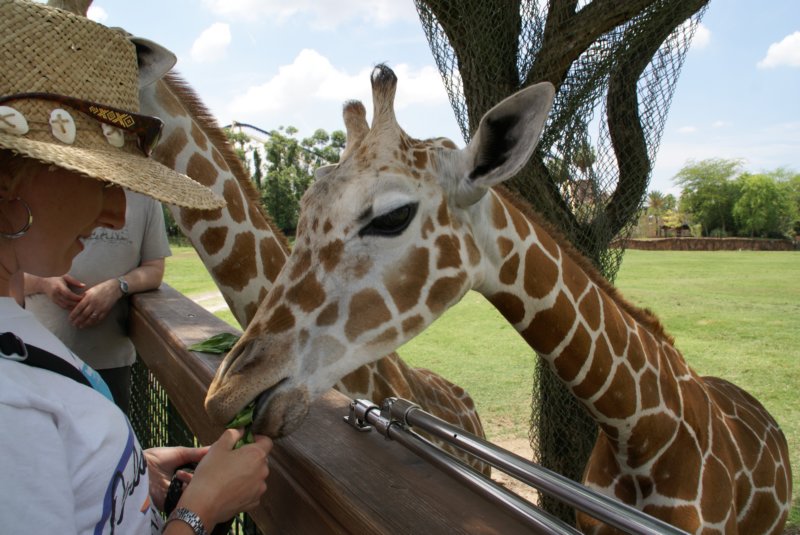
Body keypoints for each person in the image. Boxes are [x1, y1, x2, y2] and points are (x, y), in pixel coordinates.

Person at [0, 1, 272, 534]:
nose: (116, 211)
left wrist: (126, 468)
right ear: (9, 181)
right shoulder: (11, 417)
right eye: (100, 180)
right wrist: (201, 511)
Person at [24, 189, 171, 414]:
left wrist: (117, 287)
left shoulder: (145, 198)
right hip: (39, 357)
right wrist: (44, 282)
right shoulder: (42, 183)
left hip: (109, 361)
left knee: (111, 443)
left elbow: (155, 269)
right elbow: (9, 274)